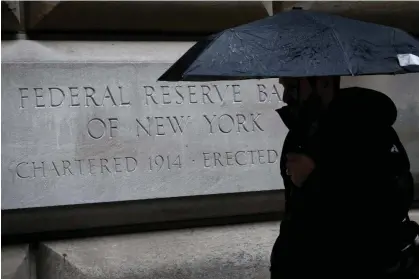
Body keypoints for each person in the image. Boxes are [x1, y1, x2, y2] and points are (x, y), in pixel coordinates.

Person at [270, 76, 417, 278]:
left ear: (324, 82)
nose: (286, 96)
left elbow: (387, 208)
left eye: (293, 87)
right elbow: (296, 212)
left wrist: (315, 178)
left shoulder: (370, 130)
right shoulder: (299, 134)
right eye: (284, 86)